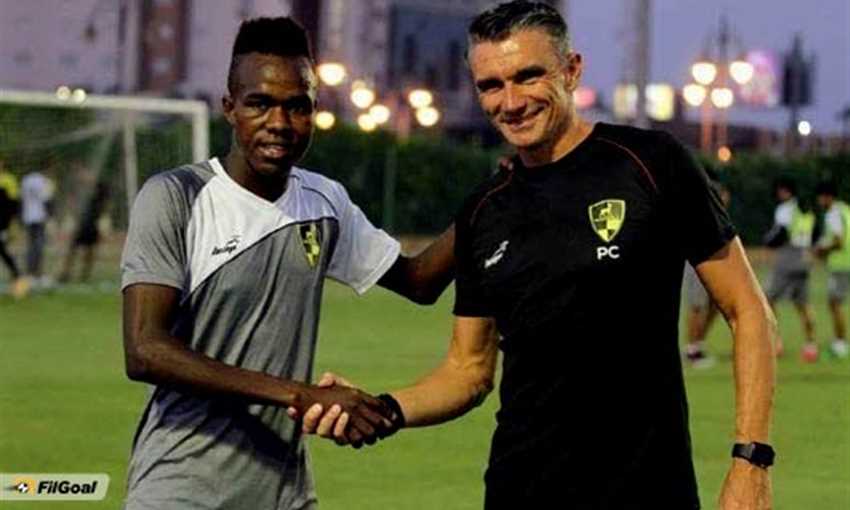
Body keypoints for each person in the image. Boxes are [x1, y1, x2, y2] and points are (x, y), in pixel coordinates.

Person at [301, 2, 776, 509]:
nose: (510, 102)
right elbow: (467, 371)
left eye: (528, 76)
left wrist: (751, 460)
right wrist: (382, 409)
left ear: (571, 70)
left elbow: (748, 311)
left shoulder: (652, 163)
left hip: (649, 493)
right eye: (491, 85)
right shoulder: (484, 211)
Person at [119, 17, 454, 510]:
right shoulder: (176, 197)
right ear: (230, 108)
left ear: (314, 111)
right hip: (181, 488)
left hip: (285, 493)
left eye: (297, 106)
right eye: (260, 103)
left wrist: (497, 198)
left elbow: (419, 281)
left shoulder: (325, 201)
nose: (279, 122)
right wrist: (303, 395)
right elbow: (145, 350)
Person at [763, 178, 817, 360]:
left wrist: (767, 241)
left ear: (786, 191)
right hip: (804, 257)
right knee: (803, 304)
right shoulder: (806, 209)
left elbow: (780, 234)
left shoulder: (785, 209)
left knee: (768, 298)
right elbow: (813, 233)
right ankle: (810, 345)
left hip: (788, 256)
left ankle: (776, 343)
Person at [684, 178, 731, 367]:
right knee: (697, 305)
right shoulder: (700, 213)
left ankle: (697, 344)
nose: (726, 200)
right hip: (696, 263)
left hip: (711, 263)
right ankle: (692, 351)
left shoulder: (716, 216)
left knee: (716, 304)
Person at [813, 180, 850, 359]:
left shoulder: (833, 213)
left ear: (827, 197)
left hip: (841, 264)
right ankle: (840, 342)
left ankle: (840, 344)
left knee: (835, 303)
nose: (819, 201)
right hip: (846, 262)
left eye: (820, 197)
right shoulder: (845, 209)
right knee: (836, 303)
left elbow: (838, 241)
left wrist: (821, 249)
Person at [59, 180, 110, 283]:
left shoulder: (95, 199)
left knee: (77, 251)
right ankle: (77, 275)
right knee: (84, 252)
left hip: (86, 226)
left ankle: (69, 274)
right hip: (88, 226)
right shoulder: (98, 201)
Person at [20, 168, 53, 286]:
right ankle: (36, 274)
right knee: (39, 247)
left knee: (31, 246)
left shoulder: (25, 180)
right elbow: (46, 199)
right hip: (39, 217)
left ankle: (29, 273)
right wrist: (50, 215)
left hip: (28, 217)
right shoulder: (43, 180)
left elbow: (22, 199)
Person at [0, 161, 28, 298]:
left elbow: (12, 204)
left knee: (3, 251)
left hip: (2, 223)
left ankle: (18, 278)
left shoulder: (8, 180)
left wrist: (8, 224)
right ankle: (18, 277)